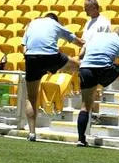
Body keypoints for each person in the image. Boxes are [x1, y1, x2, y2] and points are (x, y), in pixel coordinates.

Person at [76, 27, 119, 147]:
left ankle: (81, 139)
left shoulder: (95, 36)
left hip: (85, 69)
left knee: (85, 106)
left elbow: (81, 55)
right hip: (104, 69)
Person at [22, 13, 83, 142]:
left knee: (31, 97)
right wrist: (87, 45)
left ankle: (32, 133)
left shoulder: (31, 24)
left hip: (31, 58)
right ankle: (85, 83)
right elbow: (75, 40)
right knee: (79, 66)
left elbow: (24, 47)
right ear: (55, 20)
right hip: (50, 56)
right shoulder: (55, 24)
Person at [81, 0, 112, 120]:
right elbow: (84, 41)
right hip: (86, 58)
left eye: (86, 8)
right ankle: (90, 113)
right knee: (88, 88)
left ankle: (95, 115)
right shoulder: (88, 22)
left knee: (95, 88)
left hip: (97, 58)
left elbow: (102, 40)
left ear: (94, 7)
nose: (85, 11)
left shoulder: (103, 22)